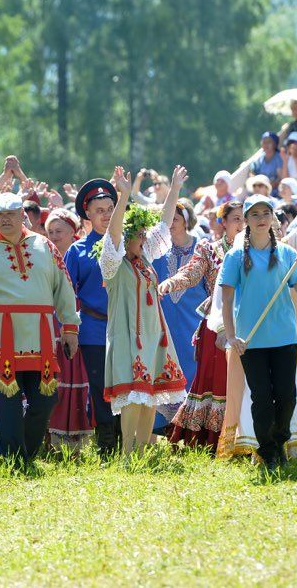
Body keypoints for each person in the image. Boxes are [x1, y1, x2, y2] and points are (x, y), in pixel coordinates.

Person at [0, 191, 80, 465]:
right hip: (0, 338)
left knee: (45, 402)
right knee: (7, 407)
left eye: (10, 215)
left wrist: (70, 327)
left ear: (21, 216)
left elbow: (63, 288)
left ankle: (22, 454)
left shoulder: (45, 247)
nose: (4, 220)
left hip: (40, 336)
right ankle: (17, 461)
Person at [99, 165, 188, 455]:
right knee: (132, 394)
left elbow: (162, 226)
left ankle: (140, 452)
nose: (144, 238)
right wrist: (123, 197)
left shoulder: (145, 257)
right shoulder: (112, 265)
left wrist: (174, 189)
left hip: (153, 333)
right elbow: (112, 238)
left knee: (150, 395)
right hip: (127, 334)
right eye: (137, 234)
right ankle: (127, 453)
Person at [220, 195, 297, 470]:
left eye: (265, 213)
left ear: (273, 218)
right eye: (255, 214)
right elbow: (226, 299)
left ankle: (279, 440)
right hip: (251, 340)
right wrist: (231, 335)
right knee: (261, 398)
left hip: (284, 336)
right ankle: (268, 452)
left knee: (287, 396)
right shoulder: (235, 256)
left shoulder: (285, 253)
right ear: (246, 221)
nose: (261, 219)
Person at [160, 200, 244, 450]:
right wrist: (172, 282)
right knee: (215, 381)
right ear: (223, 223)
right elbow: (193, 272)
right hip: (218, 323)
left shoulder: (257, 249)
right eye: (235, 219)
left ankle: (247, 435)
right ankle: (212, 438)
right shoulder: (210, 249)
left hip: (250, 323)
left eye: (243, 218)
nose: (241, 224)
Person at [64, 176, 120, 455]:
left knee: (124, 381)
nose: (106, 215)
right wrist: (68, 329)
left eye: (110, 209)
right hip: (93, 328)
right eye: (100, 210)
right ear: (88, 214)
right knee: (100, 385)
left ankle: (126, 438)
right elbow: (65, 291)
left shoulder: (125, 244)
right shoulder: (78, 250)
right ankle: (106, 441)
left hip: (124, 327)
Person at [151, 197, 206, 431]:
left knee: (193, 372)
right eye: (167, 218)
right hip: (163, 324)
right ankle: (162, 427)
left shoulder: (202, 248)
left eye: (174, 217)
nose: (170, 222)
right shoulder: (157, 251)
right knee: (164, 372)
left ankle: (192, 427)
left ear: (186, 220)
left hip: (192, 324)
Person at [44, 208, 94, 449]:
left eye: (59, 231)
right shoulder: (43, 256)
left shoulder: (80, 254)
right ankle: (48, 438)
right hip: (48, 325)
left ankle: (74, 440)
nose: (54, 236)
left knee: (73, 376)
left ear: (73, 232)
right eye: (50, 232)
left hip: (74, 323)